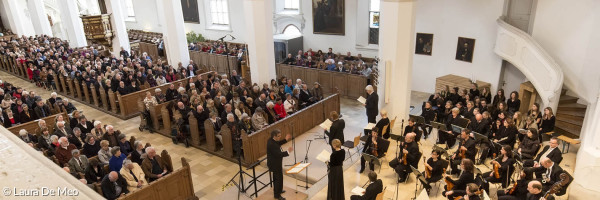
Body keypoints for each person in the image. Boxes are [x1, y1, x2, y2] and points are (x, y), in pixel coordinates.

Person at [266, 129, 293, 200]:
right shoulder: (271, 144)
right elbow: (279, 154)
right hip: (274, 164)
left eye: (280, 135)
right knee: (278, 179)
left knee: (279, 178)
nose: (280, 137)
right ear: (274, 136)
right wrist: (288, 152)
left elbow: (278, 143)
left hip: (276, 163)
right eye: (278, 136)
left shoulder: (272, 140)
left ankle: (279, 190)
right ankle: (277, 195)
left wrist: (285, 139)